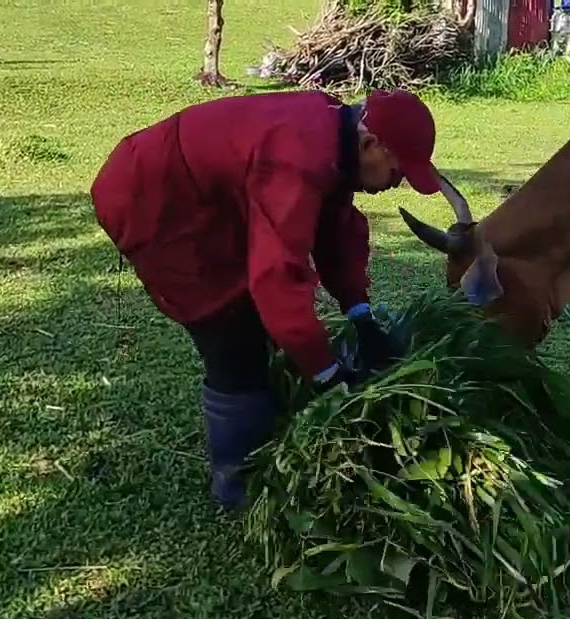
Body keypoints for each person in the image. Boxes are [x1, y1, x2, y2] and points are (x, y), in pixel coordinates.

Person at [89, 88, 444, 510]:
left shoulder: (335, 137)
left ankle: (264, 423)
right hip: (154, 199)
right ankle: (238, 482)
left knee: (255, 317)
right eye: (397, 172)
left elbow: (333, 232)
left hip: (206, 197)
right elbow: (277, 278)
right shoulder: (297, 157)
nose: (396, 183)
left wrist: (361, 315)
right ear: (370, 144)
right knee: (228, 329)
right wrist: (328, 375)